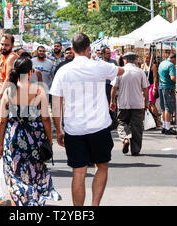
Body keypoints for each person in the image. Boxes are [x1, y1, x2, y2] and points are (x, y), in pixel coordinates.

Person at [49, 33, 124, 206]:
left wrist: (59, 129)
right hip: (99, 127)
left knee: (79, 172)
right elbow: (121, 70)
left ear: (72, 49)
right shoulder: (99, 66)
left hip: (74, 129)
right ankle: (94, 205)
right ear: (89, 48)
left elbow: (55, 104)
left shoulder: (63, 71)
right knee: (102, 166)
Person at [0, 57, 61, 206]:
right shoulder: (38, 90)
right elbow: (45, 118)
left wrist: (0, 144)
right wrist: (49, 140)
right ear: (31, 72)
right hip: (34, 139)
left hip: (13, 138)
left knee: (14, 176)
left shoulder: (8, 91)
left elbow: (2, 121)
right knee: (35, 173)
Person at [110, 52, 149, 156]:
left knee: (122, 123)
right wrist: (147, 102)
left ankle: (125, 137)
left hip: (123, 103)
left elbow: (114, 88)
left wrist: (112, 101)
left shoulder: (120, 71)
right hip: (138, 103)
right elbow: (145, 89)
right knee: (137, 127)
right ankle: (135, 149)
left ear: (125, 60)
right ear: (135, 60)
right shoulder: (140, 72)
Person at [158, 53, 177, 135]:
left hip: (161, 86)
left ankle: (165, 126)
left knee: (163, 108)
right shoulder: (171, 65)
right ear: (174, 58)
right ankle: (168, 127)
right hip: (168, 87)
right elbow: (173, 78)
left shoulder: (162, 63)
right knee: (168, 108)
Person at [0, 34, 19, 99]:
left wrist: (0, 96)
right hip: (0, 94)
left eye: (7, 45)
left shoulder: (11, 57)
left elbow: (8, 79)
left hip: (7, 96)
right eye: (2, 44)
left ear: (12, 45)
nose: (3, 47)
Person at [141, 53, 160, 127]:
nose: (147, 59)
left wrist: (155, 87)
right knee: (145, 103)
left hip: (152, 85)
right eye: (146, 58)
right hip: (145, 86)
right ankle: (149, 120)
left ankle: (157, 119)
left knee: (151, 103)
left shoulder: (153, 66)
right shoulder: (142, 66)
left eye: (148, 58)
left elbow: (155, 77)